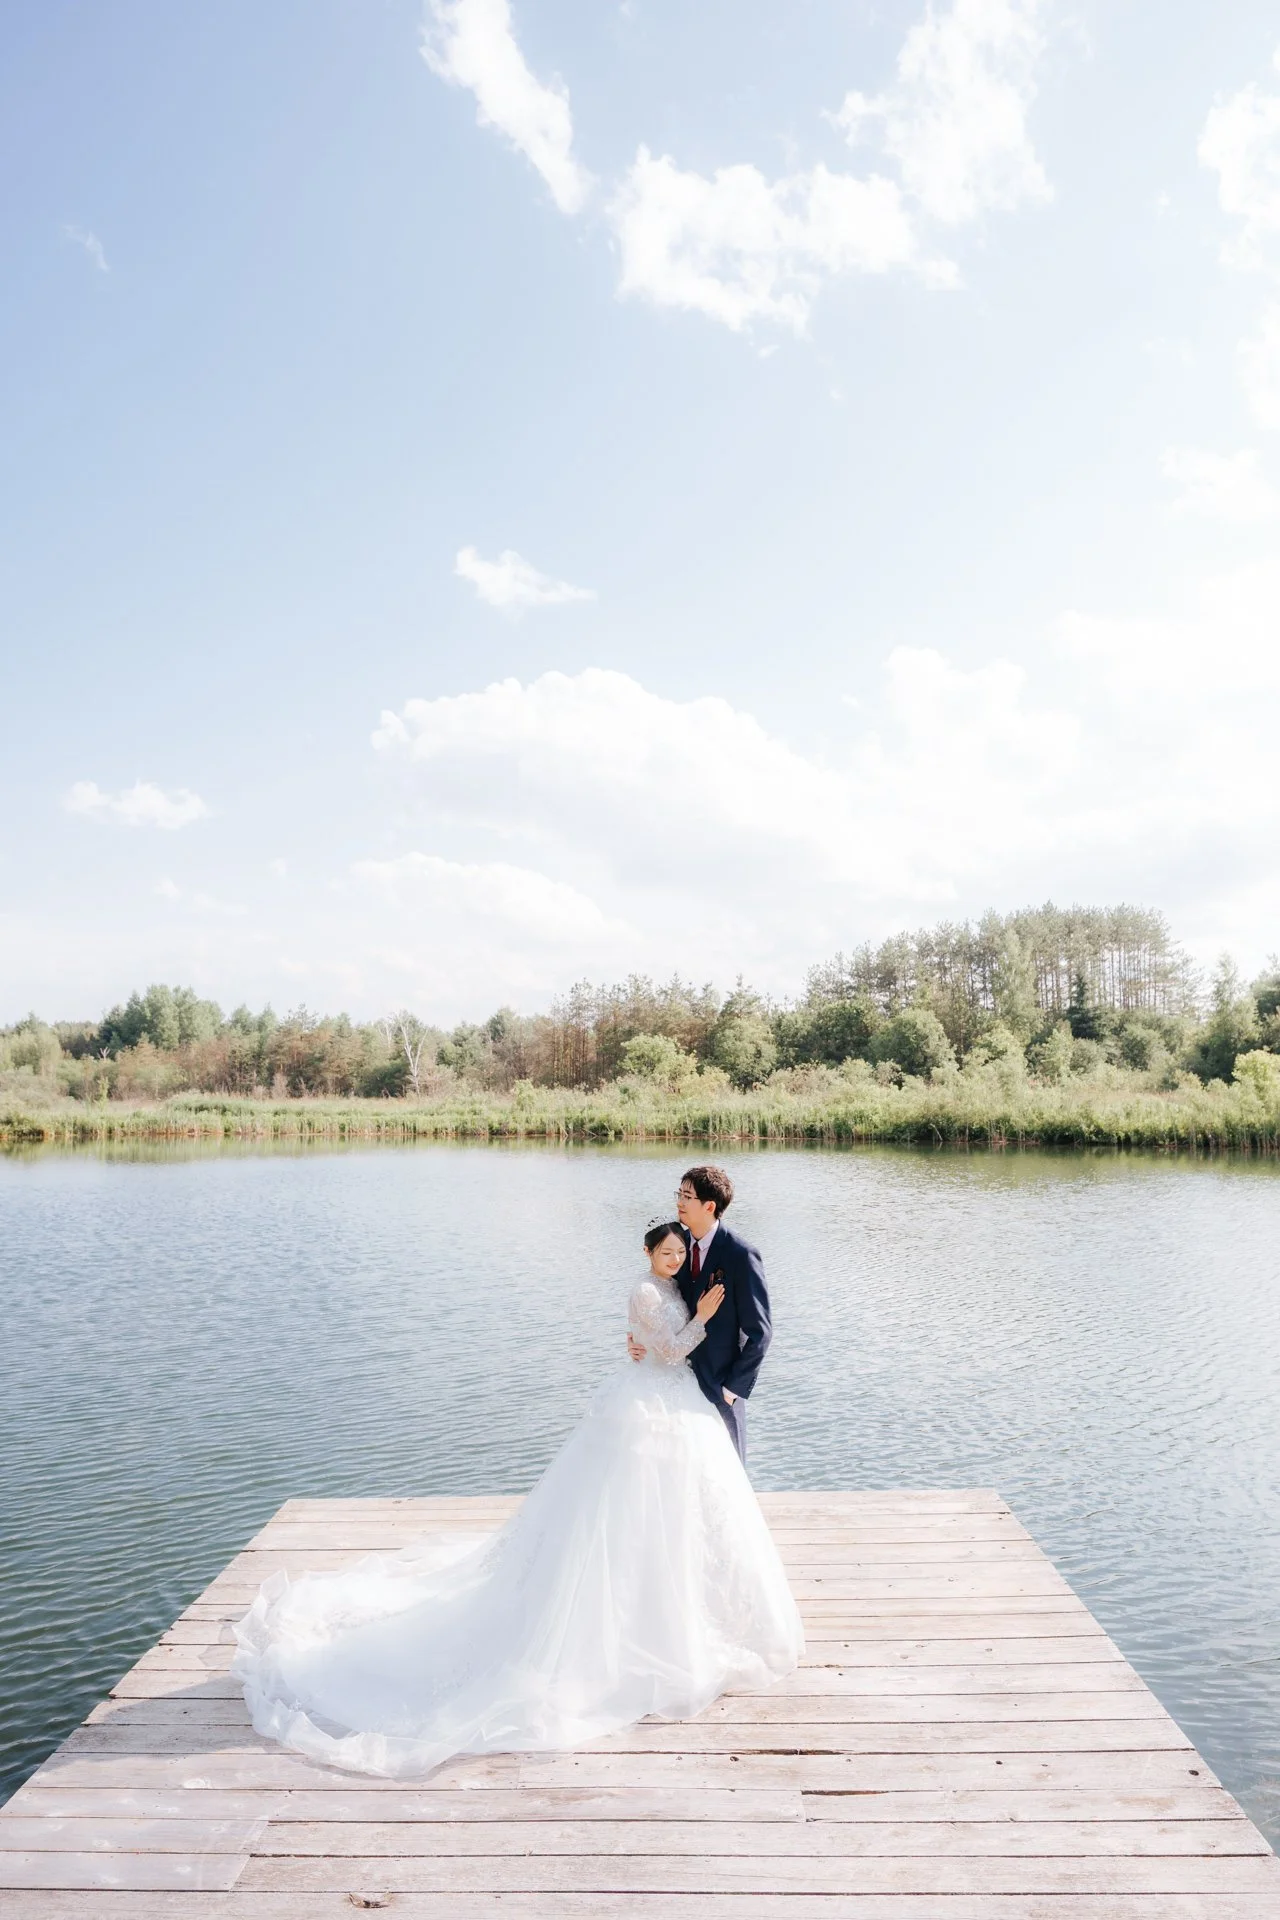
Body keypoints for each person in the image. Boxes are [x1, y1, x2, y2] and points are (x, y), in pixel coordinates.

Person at [231, 1219, 802, 1779]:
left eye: (679, 1252)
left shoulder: (680, 1283)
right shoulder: (647, 1290)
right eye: (666, 1252)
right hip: (651, 1402)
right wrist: (695, 1321)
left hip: (677, 1404)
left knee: (673, 1513)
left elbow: (672, 1340)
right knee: (618, 1509)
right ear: (649, 1253)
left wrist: (676, 1326)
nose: (674, 1259)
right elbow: (671, 1349)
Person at [628, 1164, 769, 1465]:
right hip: (675, 1385)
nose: (679, 1201)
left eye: (687, 1196)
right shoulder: (677, 1247)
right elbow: (656, 1304)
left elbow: (760, 1333)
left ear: (709, 1206)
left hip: (720, 1387)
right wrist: (638, 1339)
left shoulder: (740, 1255)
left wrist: (733, 1389)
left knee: (725, 1477)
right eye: (678, 1193)